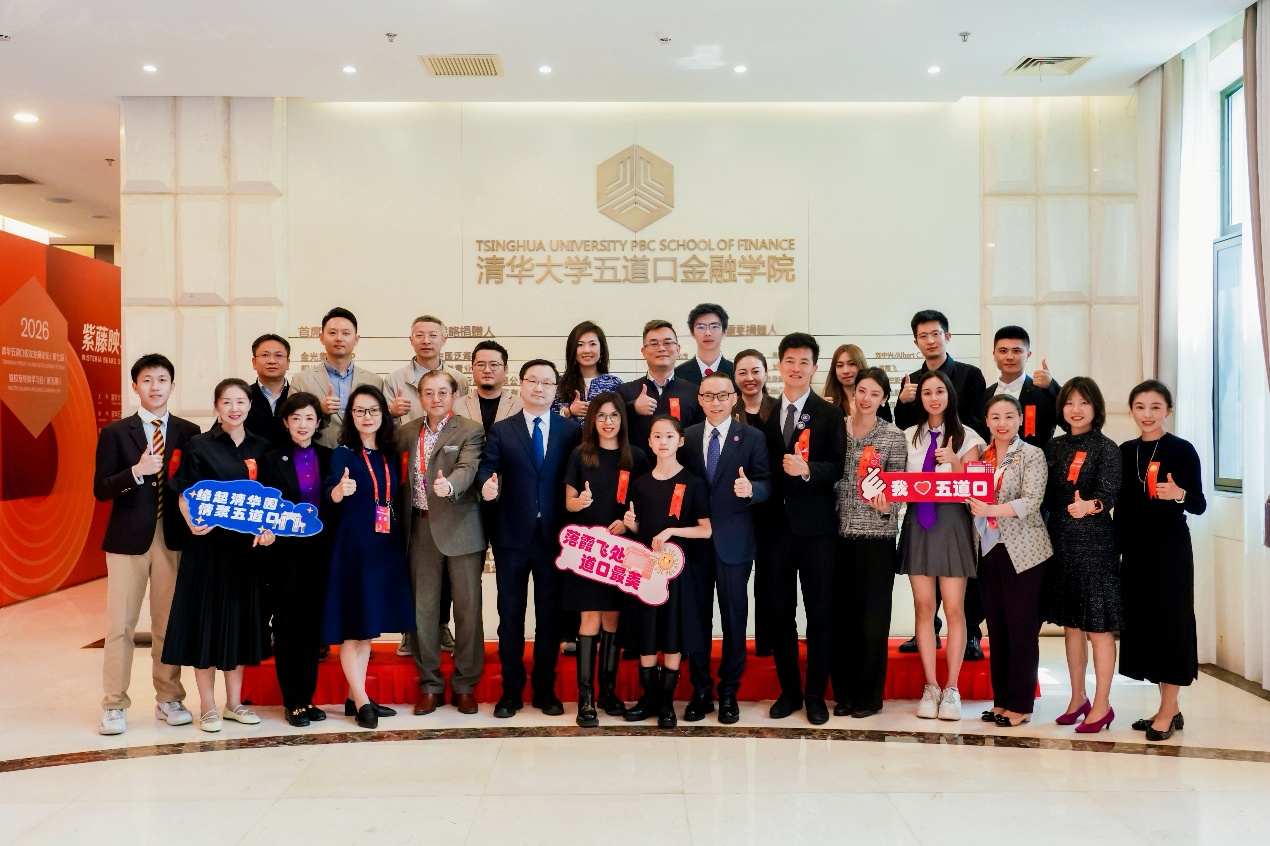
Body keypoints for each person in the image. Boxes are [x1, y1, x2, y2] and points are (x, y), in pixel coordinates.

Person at [93, 354, 202, 736]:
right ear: (135, 386)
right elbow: (101, 489)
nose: (155, 386)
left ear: (172, 385)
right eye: (147, 380)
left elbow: (195, 484)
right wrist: (135, 472)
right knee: (120, 625)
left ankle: (169, 697)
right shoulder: (115, 433)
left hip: (173, 538)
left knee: (168, 623)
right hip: (127, 540)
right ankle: (114, 703)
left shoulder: (189, 432)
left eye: (162, 379)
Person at [162, 378, 275, 732]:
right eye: (227, 402)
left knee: (238, 625)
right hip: (206, 550)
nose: (234, 408)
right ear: (216, 407)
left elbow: (270, 500)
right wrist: (190, 519)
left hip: (245, 553)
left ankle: (234, 703)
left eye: (241, 401)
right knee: (206, 625)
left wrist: (268, 528)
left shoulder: (262, 447)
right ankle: (207, 706)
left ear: (250, 406)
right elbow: (183, 491)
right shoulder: (199, 444)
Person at [477, 360, 582, 718]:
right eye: (532, 381)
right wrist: (486, 485)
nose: (539, 387)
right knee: (510, 616)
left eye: (547, 382)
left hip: (555, 537)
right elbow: (487, 468)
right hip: (511, 536)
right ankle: (511, 692)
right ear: (520, 385)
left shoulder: (570, 432)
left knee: (549, 617)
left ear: (556, 390)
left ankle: (544, 690)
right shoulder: (502, 430)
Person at [761, 332, 846, 725]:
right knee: (781, 614)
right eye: (790, 361)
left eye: (804, 362)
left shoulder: (828, 413)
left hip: (817, 531)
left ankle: (815, 695)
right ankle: (789, 692)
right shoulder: (764, 412)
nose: (796, 368)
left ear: (814, 368)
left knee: (820, 614)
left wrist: (807, 469)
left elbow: (838, 467)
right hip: (774, 531)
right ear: (779, 365)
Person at [893, 309, 988, 660]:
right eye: (923, 336)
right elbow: (906, 430)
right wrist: (903, 402)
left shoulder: (969, 375)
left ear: (947, 336)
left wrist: (953, 445)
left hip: (956, 490)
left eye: (936, 334)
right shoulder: (912, 382)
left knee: (962, 575)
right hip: (922, 501)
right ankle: (928, 631)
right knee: (924, 580)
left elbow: (978, 422)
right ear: (916, 341)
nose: (930, 340)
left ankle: (971, 634)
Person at [321, 385, 417, 729]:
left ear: (383, 415)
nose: (367, 417)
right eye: (359, 411)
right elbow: (329, 494)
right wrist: (338, 491)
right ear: (350, 416)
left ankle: (354, 696)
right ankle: (362, 701)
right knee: (354, 627)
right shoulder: (343, 454)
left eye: (373, 410)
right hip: (354, 547)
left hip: (384, 546)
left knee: (367, 626)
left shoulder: (390, 454)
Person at [679, 373, 771, 724]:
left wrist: (753, 491)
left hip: (735, 542)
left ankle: (729, 691)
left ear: (734, 398)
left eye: (722, 395)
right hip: (695, 543)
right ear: (699, 400)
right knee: (697, 618)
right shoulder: (686, 437)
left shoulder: (752, 437)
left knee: (734, 618)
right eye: (708, 396)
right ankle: (701, 690)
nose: (715, 402)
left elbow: (766, 482)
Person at [1117, 380, 1206, 741]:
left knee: (1171, 625)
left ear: (1168, 410)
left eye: (1155, 407)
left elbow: (1199, 504)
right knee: (1146, 626)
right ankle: (1171, 707)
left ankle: (1167, 712)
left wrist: (1178, 493)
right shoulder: (1126, 451)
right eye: (1140, 407)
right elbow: (1122, 507)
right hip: (1136, 553)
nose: (1148, 414)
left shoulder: (1182, 450)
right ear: (1131, 411)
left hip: (1170, 551)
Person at [395, 371, 487, 717]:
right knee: (423, 611)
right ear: (419, 398)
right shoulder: (406, 432)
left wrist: (450, 486)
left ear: (454, 395)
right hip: (419, 529)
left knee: (467, 610)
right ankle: (430, 685)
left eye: (442, 392)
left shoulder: (470, 430)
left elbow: (468, 468)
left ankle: (465, 685)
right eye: (429, 393)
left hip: (461, 527)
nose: (436, 399)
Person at [898, 369, 985, 722]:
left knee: (953, 608)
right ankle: (931, 686)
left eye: (940, 391)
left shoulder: (968, 437)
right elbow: (898, 482)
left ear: (950, 395)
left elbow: (977, 489)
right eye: (927, 392)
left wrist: (956, 463)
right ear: (920, 398)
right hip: (918, 522)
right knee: (923, 607)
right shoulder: (909, 437)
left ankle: (952, 688)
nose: (934, 398)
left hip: (953, 523)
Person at [562, 392, 650, 725]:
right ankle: (585, 699)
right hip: (588, 549)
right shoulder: (580, 455)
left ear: (622, 420)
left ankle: (608, 692)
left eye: (614, 415)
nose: (608, 422)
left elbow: (645, 504)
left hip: (622, 550)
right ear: (592, 421)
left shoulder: (636, 456)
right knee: (589, 619)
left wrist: (629, 525)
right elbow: (569, 502)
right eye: (601, 416)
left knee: (613, 619)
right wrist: (582, 502)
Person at [965, 394, 1052, 728]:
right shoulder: (981, 458)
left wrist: (991, 509)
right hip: (988, 550)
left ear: (1020, 420)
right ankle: (1001, 701)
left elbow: (1032, 501)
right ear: (986, 421)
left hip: (1024, 552)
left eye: (1009, 416)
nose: (1002, 423)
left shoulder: (1032, 454)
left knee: (1022, 629)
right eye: (995, 417)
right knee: (997, 629)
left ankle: (1021, 705)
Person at [1042, 376, 1122, 734]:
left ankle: (1102, 704)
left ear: (1096, 408)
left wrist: (1091, 505)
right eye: (1070, 402)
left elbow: (1110, 494)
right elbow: (1043, 495)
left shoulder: (1107, 448)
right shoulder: (1054, 446)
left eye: (1084, 402)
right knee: (1071, 625)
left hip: (1095, 544)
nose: (1076, 409)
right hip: (1060, 542)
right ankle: (1078, 698)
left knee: (1098, 626)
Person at [622, 416, 713, 728]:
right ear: (649, 442)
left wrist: (673, 530)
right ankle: (648, 698)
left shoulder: (693, 482)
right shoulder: (639, 484)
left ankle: (666, 703)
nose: (663, 441)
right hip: (647, 572)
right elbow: (641, 531)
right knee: (646, 634)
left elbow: (705, 529)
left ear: (680, 441)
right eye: (657, 436)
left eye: (669, 436)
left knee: (673, 635)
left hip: (678, 573)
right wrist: (632, 524)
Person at [831, 367, 906, 719]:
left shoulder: (892, 435)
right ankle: (844, 693)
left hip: (877, 539)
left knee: (873, 620)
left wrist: (888, 504)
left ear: (884, 399)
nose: (866, 398)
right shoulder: (837, 429)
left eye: (874, 394)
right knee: (841, 617)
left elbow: (899, 488)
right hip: (837, 537)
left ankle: (869, 697)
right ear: (853, 391)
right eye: (861, 390)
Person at [262, 391, 335, 727]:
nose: (303, 424)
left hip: (321, 554)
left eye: (309, 418)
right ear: (285, 422)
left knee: (311, 628)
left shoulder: (330, 457)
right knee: (288, 627)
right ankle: (292, 701)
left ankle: (307, 698)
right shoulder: (271, 459)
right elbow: (265, 506)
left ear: (318, 422)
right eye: (296, 418)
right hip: (284, 556)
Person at [731, 348, 779, 658]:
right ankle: (735, 644)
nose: (749, 378)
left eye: (755, 371)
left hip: (771, 505)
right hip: (735, 508)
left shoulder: (779, 409)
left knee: (768, 579)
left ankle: (766, 643)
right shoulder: (727, 408)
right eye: (743, 372)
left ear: (765, 373)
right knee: (736, 582)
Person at [291, 307, 385, 449]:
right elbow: (292, 422)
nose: (339, 338)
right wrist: (320, 411)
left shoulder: (374, 381)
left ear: (356, 339)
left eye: (346, 333)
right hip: (318, 455)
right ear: (321, 337)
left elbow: (382, 423)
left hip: (362, 455)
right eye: (332, 333)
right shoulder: (301, 380)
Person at [617, 320, 704, 462]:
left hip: (683, 472)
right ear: (643, 352)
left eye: (667, 342)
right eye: (654, 344)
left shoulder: (694, 392)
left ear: (677, 349)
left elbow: (701, 438)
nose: (661, 348)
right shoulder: (625, 391)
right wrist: (633, 408)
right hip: (639, 472)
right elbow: (613, 429)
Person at [384, 315, 472, 423]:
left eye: (433, 335)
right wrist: (392, 413)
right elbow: (382, 425)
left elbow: (466, 422)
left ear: (444, 340)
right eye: (419, 335)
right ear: (411, 340)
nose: (426, 341)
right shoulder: (393, 380)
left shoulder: (459, 380)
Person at [985, 326, 1058, 451]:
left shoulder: (1043, 392)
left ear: (1028, 355)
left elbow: (1069, 415)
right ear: (994, 354)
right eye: (1003, 351)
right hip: (990, 461)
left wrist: (1052, 386)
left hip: (1035, 462)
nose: (1009, 357)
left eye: (1016, 351)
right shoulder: (986, 395)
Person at [553, 320, 623, 419]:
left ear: (601, 348)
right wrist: (569, 411)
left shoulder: (614, 384)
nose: (586, 350)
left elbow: (623, 418)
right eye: (580, 345)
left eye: (592, 344)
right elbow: (546, 419)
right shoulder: (558, 385)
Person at [455, 339, 524, 430]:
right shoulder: (456, 406)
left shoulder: (521, 406)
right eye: (481, 365)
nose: (487, 370)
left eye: (494, 365)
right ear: (472, 369)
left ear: (505, 369)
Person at [823, 344, 892, 423]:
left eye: (851, 364)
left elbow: (888, 428)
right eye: (840, 365)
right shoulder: (829, 404)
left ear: (860, 364)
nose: (845, 371)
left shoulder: (878, 401)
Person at [245, 333, 292, 448]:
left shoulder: (298, 396)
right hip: (249, 459)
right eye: (265, 355)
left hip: (291, 459)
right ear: (254, 362)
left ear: (288, 363)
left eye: (279, 355)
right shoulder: (242, 396)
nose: (272, 361)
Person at [674, 303, 735, 385]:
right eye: (701, 327)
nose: (707, 333)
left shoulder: (736, 373)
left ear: (724, 331)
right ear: (692, 333)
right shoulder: (678, 374)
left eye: (714, 326)